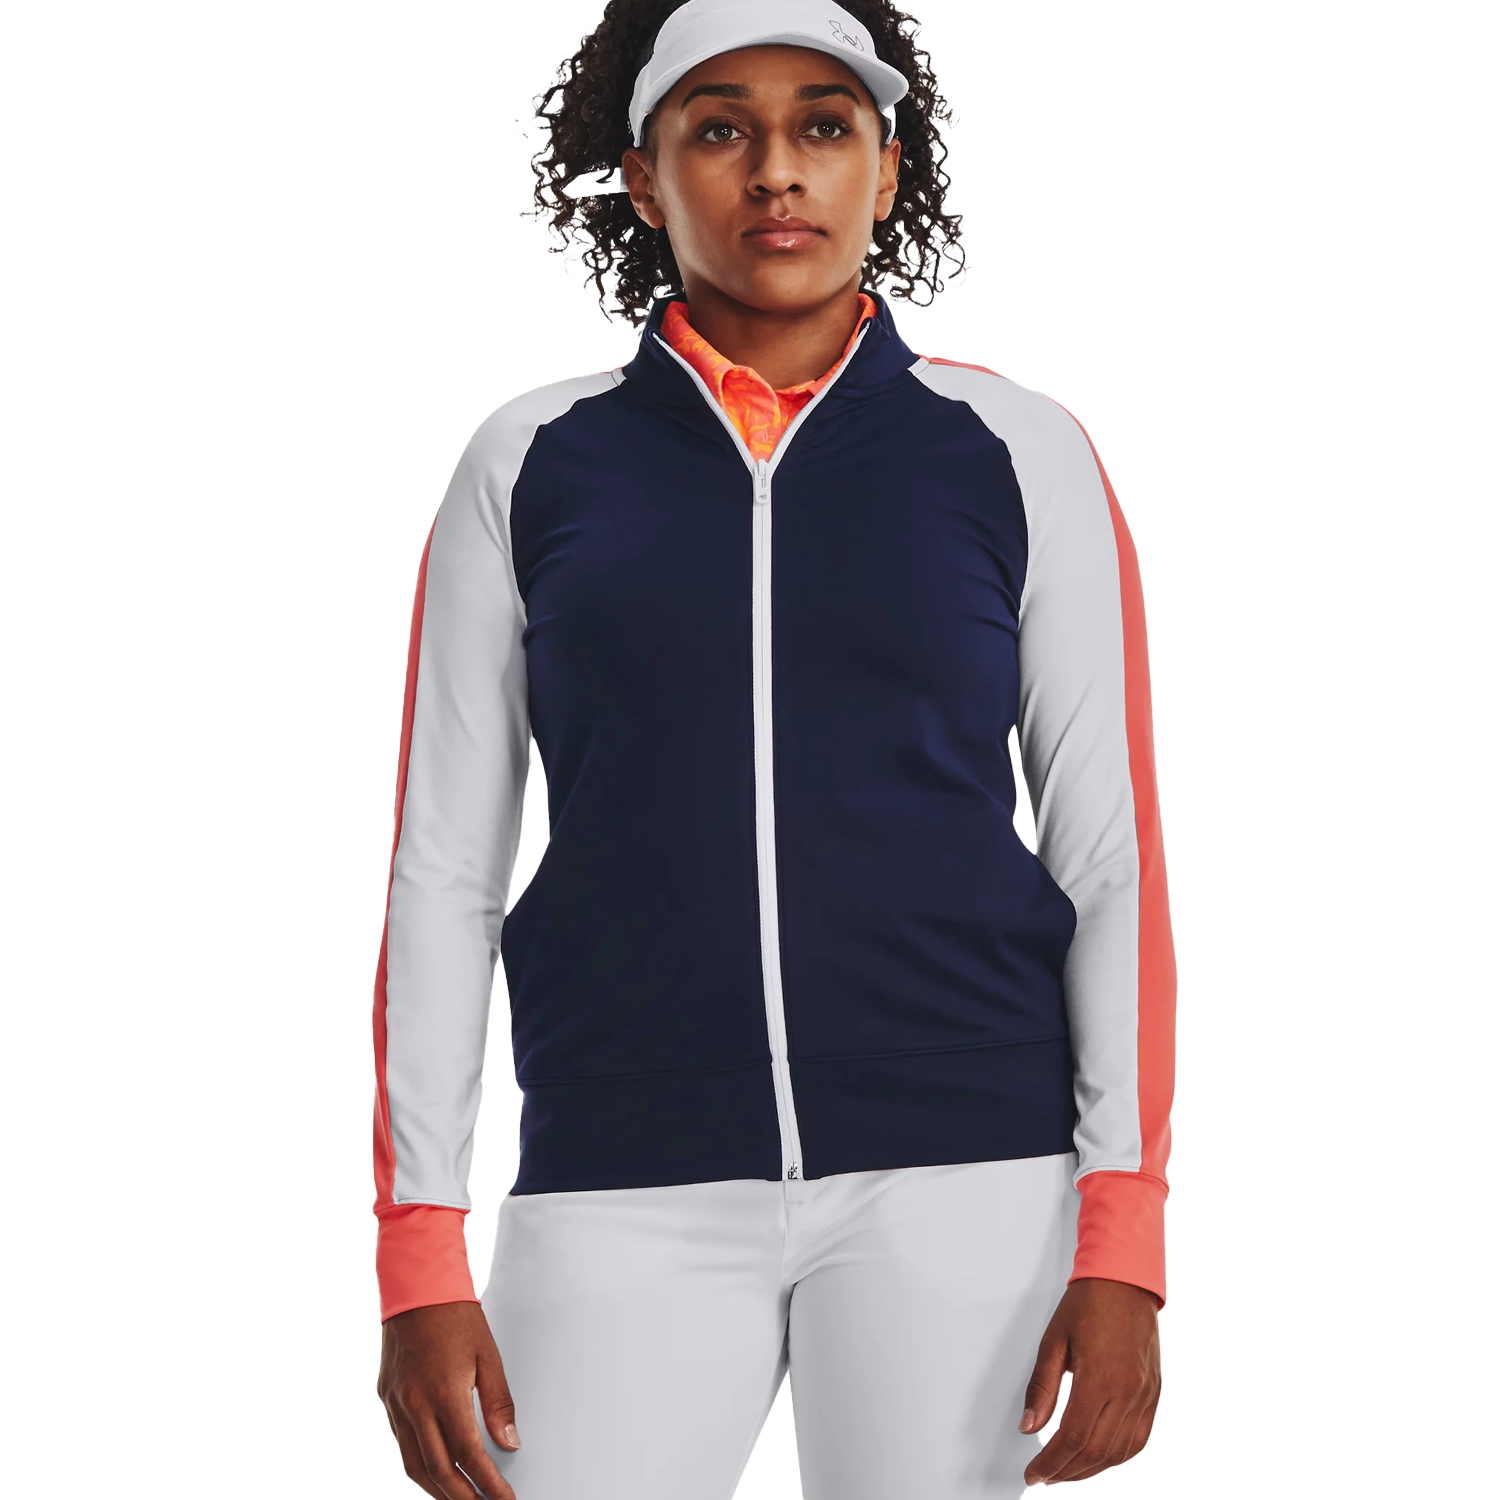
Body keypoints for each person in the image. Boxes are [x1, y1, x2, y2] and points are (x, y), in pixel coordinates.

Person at [371, 1, 1176, 1496]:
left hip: (970, 1178)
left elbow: (1108, 856)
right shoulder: (533, 461)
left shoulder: (1014, 449)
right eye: (720, 129)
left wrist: (1123, 1234)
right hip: (621, 1167)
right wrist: (420, 1244)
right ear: (644, 177)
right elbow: (442, 871)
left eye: (824, 125)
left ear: (886, 166)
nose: (777, 170)